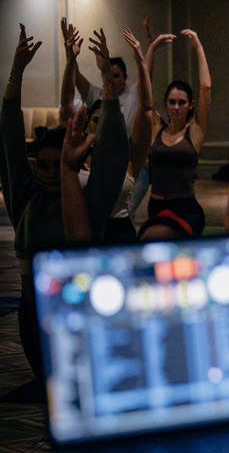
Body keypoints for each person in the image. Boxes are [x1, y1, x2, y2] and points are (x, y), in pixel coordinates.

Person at [1, 25, 127, 381]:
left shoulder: (87, 199)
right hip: (33, 312)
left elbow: (113, 152)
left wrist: (107, 81)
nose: (51, 173)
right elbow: (9, 139)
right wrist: (16, 73)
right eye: (42, 165)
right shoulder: (26, 197)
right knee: (46, 385)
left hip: (82, 311)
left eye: (57, 165)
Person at [66, 26, 155, 243]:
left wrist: (141, 60)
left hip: (119, 234)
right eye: (98, 120)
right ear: (88, 124)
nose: (104, 127)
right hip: (83, 235)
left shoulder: (129, 157)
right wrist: (71, 61)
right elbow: (66, 102)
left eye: (109, 122)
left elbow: (146, 108)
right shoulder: (74, 157)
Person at [144, 28, 211, 237]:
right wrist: (152, 48)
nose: (176, 107)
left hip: (186, 209)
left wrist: (198, 47)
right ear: (166, 103)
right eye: (172, 102)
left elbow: (206, 87)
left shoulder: (195, 131)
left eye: (182, 103)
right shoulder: (156, 127)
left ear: (190, 105)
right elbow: (144, 90)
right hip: (156, 206)